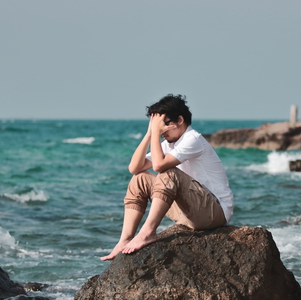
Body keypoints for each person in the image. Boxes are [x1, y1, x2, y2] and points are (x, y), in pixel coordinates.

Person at [100, 94, 234, 261]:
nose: (161, 131)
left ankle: (148, 232)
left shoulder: (193, 140)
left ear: (179, 120)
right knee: (140, 179)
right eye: (156, 126)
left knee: (169, 173)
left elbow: (159, 166)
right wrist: (150, 134)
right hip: (190, 212)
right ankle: (125, 239)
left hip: (215, 212)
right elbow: (134, 168)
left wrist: (155, 133)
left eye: (162, 125)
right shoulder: (168, 144)